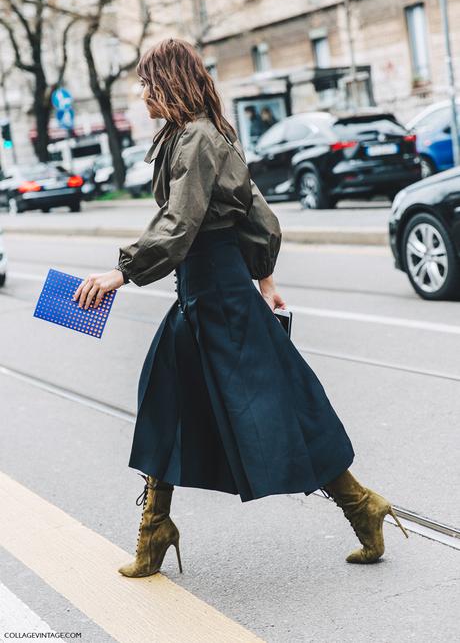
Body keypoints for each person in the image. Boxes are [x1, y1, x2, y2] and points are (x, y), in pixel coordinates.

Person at [72, 38, 409, 578]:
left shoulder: (200, 139)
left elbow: (180, 223)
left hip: (221, 298)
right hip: (203, 292)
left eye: (144, 82)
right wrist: (267, 279)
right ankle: (156, 528)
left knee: (281, 409)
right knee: (164, 399)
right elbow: (260, 219)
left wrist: (122, 272)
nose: (139, 94)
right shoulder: (192, 135)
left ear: (166, 82)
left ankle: (362, 505)